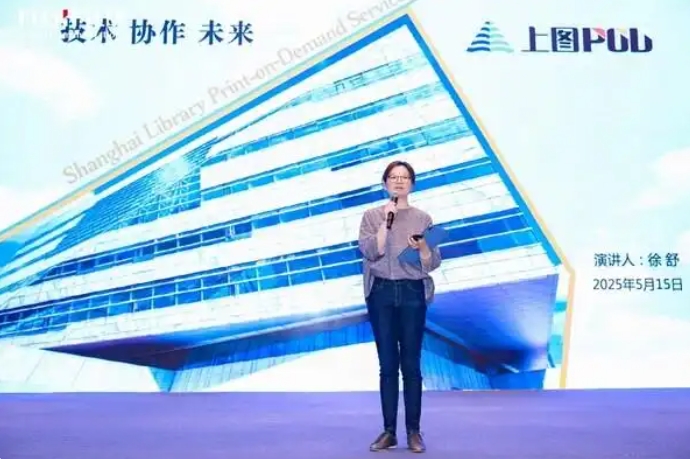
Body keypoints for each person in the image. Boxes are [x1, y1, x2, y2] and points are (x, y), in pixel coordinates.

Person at [358, 160, 442, 453]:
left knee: (411, 364)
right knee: (387, 365)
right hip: (381, 292)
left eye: (404, 177)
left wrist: (422, 247)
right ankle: (389, 431)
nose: (398, 181)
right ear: (385, 184)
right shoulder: (371, 216)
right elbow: (371, 251)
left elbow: (433, 262)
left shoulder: (423, 218)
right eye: (393, 177)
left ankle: (414, 432)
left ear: (412, 184)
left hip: (411, 292)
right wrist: (386, 222)